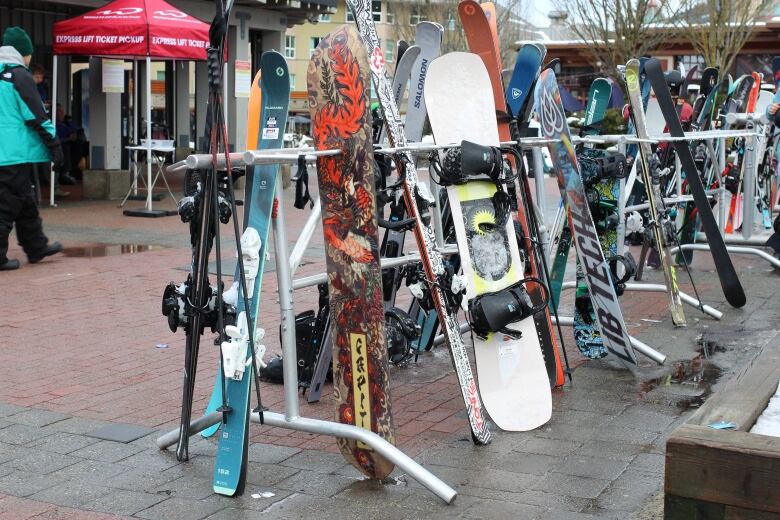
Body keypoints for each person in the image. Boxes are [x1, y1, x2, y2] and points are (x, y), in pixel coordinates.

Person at [0, 26, 63, 270]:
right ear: (23, 52)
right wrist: (54, 146)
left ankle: (36, 247)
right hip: (12, 154)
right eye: (29, 54)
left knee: (24, 199)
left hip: (7, 154)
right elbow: (37, 116)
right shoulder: (19, 75)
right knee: (6, 206)